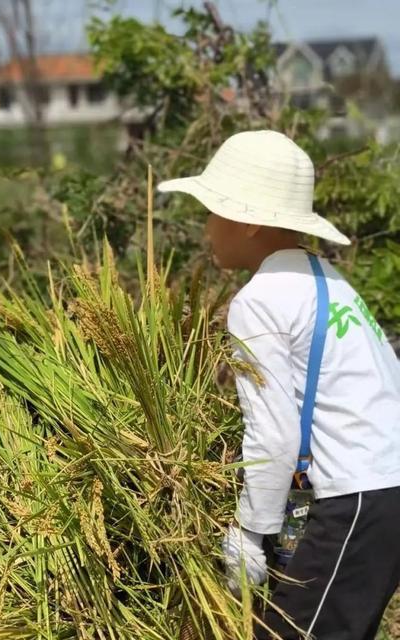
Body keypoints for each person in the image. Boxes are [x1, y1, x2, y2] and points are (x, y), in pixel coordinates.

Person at [158, 130, 400, 639]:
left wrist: (250, 531)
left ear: (244, 222)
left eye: (211, 212)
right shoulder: (327, 278)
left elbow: (274, 434)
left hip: (354, 499)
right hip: (383, 488)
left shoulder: (260, 300)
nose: (206, 229)